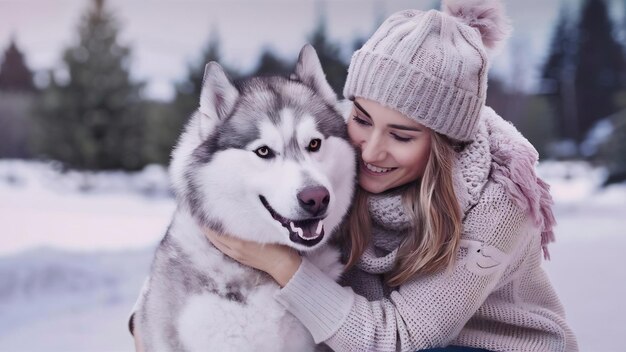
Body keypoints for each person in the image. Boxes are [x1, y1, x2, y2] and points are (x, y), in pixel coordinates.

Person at [136, 0, 579, 351]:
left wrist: (278, 261)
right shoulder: (335, 159)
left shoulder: (499, 203)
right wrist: (152, 318)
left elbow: (399, 340)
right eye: (362, 118)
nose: (369, 149)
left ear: (443, 145)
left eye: (401, 136)